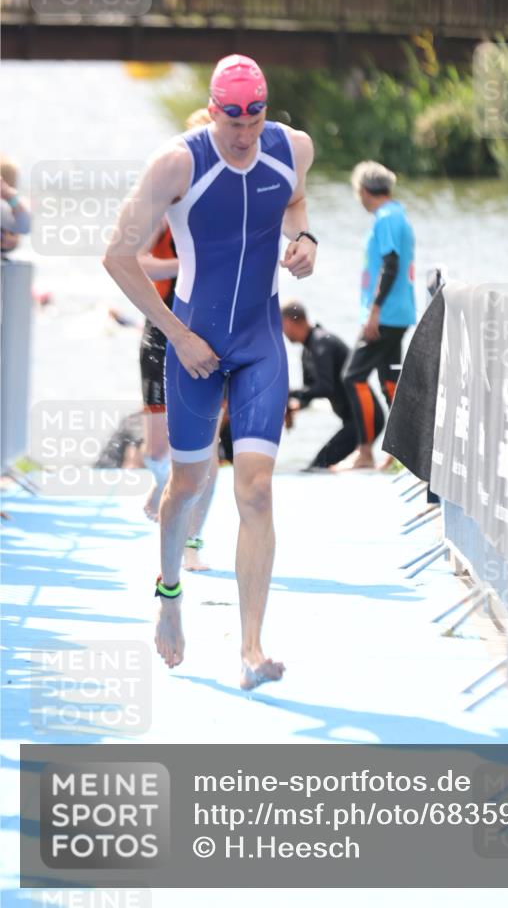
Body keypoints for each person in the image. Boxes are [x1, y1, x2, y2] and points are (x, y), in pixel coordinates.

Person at [103, 54, 317, 689]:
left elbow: (296, 200)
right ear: (213, 110)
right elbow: (116, 256)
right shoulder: (177, 163)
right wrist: (178, 334)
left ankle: (251, 649)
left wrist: (305, 239)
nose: (245, 133)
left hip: (260, 341)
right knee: (187, 485)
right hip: (193, 341)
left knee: (256, 490)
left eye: (255, 119)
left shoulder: (293, 148)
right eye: (233, 120)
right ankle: (169, 596)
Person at [138, 107, 225, 574]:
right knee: (156, 450)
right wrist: (183, 264)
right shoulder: (164, 201)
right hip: (163, 327)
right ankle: (165, 484)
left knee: (208, 448)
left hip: (210, 331)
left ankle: (192, 541)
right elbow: (133, 260)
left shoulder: (231, 201)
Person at [340, 161, 416, 470]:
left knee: (353, 377)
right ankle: (404, 450)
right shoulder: (397, 215)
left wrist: (374, 311)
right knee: (389, 380)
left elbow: (391, 264)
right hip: (396, 314)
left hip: (385, 315)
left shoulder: (386, 218)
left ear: (363, 190)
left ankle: (364, 452)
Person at [281, 301, 383, 470]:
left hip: (367, 418)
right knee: (320, 465)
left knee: (318, 466)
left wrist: (289, 393)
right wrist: (294, 406)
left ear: (290, 321)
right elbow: (310, 393)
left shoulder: (321, 342)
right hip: (352, 421)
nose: (282, 332)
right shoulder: (307, 350)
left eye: (282, 325)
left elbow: (325, 388)